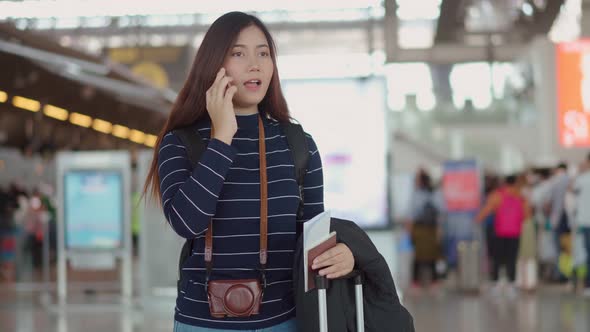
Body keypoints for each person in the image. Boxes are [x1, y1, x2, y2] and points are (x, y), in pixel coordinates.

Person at [143, 12, 355, 332]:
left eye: (263, 53)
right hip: (204, 323)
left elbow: (313, 241)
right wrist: (222, 137)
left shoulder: (298, 144)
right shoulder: (181, 142)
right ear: (215, 64)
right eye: (239, 53)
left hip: (286, 321)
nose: (254, 64)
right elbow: (187, 223)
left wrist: (344, 258)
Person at [476, 175, 531, 297]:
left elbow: (487, 210)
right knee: (512, 258)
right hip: (515, 232)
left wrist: (477, 219)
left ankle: (496, 284)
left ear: (504, 183)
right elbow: (527, 215)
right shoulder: (521, 197)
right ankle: (511, 285)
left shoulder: (497, 195)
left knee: (497, 258)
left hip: (499, 231)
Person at [407, 169, 444, 289]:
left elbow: (411, 214)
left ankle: (424, 281)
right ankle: (423, 281)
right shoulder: (433, 193)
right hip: (425, 229)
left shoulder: (421, 194)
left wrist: (410, 229)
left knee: (429, 255)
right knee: (423, 255)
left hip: (426, 228)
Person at [572, 153, 590, 295]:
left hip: (586, 222)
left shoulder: (582, 178)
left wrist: (580, 170)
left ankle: (588, 285)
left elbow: (571, 189)